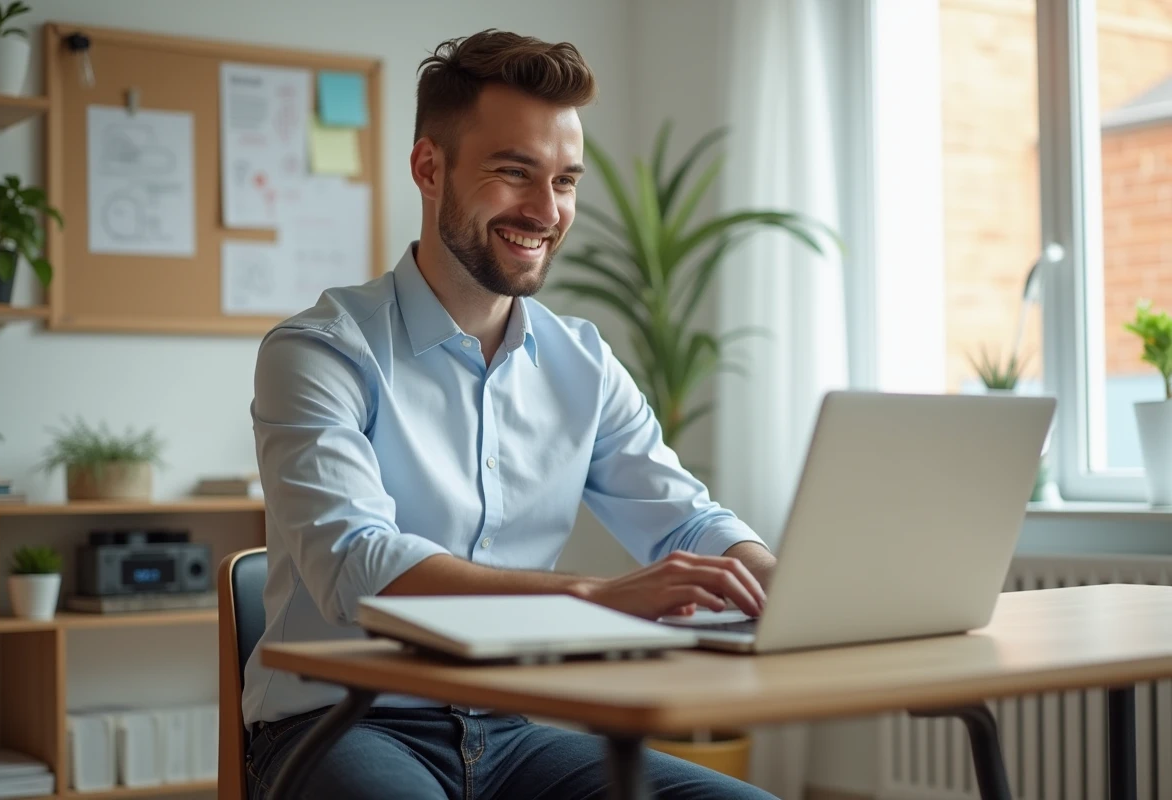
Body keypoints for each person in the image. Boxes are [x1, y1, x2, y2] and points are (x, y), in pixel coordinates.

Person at [244, 28, 778, 800]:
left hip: (513, 730)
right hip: (337, 726)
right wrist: (594, 599)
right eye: (513, 172)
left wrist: (777, 585)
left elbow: (688, 522)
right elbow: (358, 566)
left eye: (565, 181)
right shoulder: (320, 351)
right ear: (430, 168)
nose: (546, 210)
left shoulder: (582, 364)